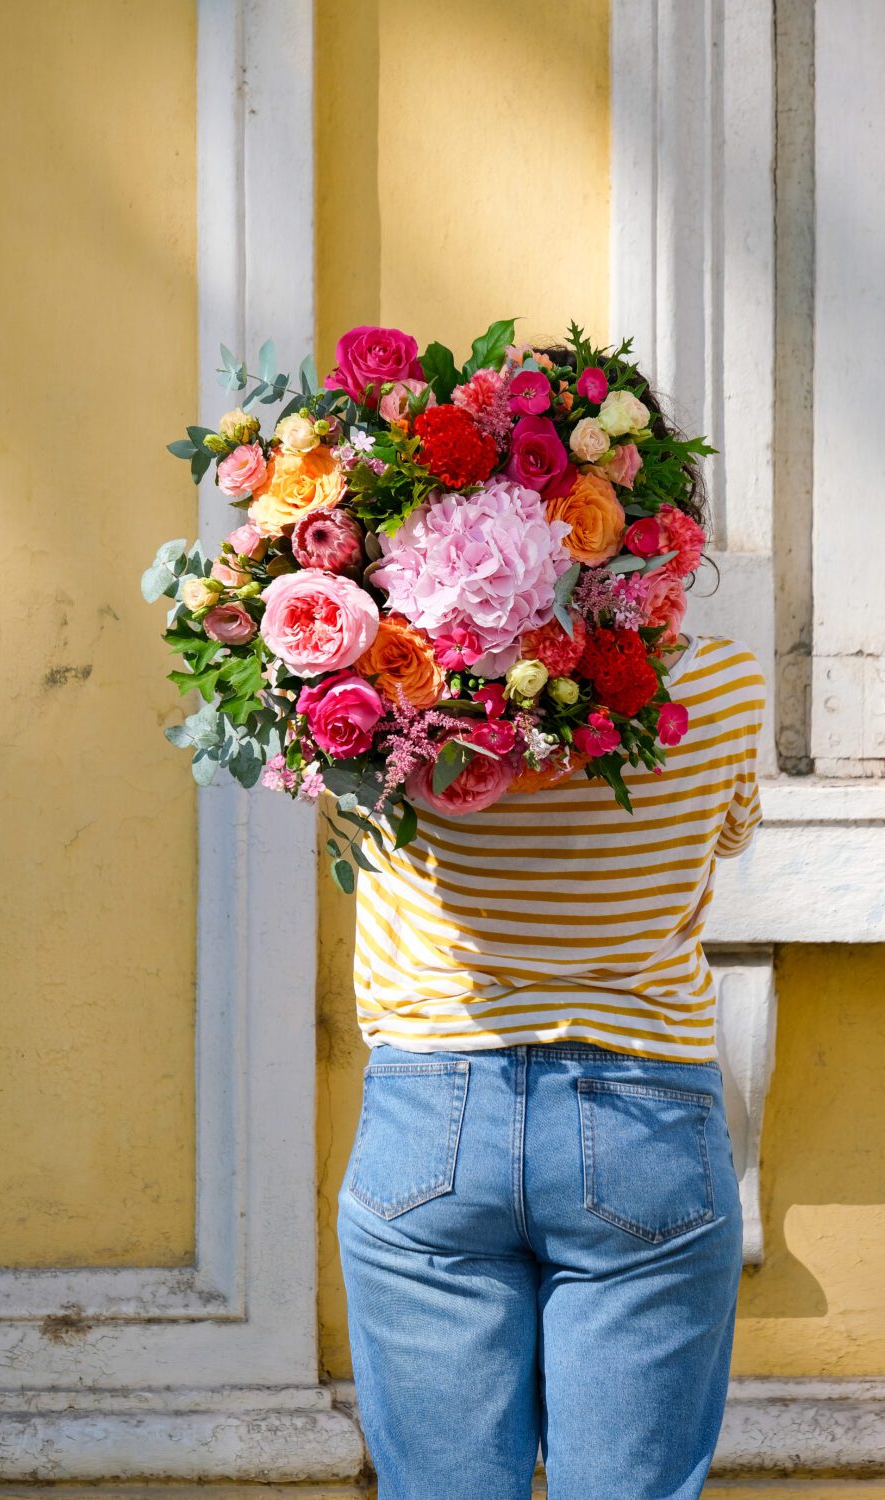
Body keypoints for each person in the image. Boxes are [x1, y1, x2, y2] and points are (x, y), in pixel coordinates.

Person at [335, 349, 766, 1500]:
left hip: (431, 1112)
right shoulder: (720, 687)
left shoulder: (376, 693)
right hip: (642, 1117)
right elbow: (724, 839)